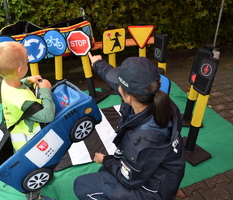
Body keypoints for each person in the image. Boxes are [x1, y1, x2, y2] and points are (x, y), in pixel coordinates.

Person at [73, 53, 186, 200]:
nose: (116, 86)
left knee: (81, 185)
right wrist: (97, 63)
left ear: (127, 96)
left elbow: (129, 179)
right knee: (103, 172)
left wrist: (106, 160)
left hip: (151, 191)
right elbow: (112, 78)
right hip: (164, 171)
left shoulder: (143, 140)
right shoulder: (160, 100)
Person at [0, 41, 56, 200]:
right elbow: (47, 116)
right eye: (27, 63)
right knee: (30, 172)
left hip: (18, 137)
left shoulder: (7, 82)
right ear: (20, 70)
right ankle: (34, 197)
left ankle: (42, 175)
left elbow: (18, 85)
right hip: (27, 142)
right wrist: (46, 91)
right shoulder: (21, 100)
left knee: (34, 166)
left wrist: (27, 80)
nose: (28, 64)